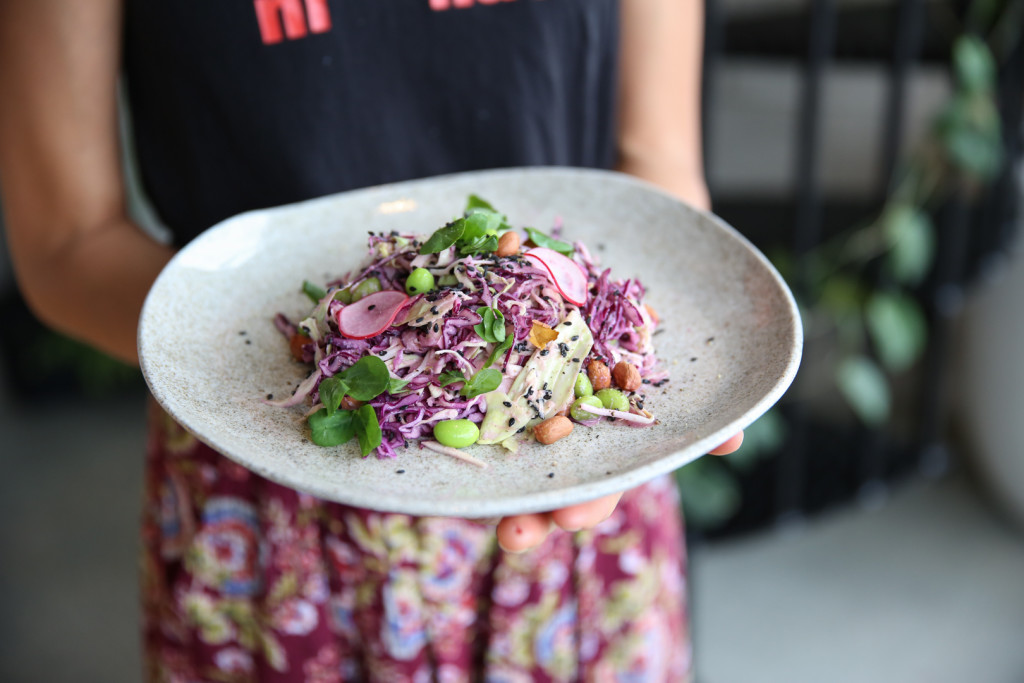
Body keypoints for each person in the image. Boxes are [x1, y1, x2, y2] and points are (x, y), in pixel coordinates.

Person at [0, 1, 742, 680]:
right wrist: (292, 356)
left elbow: (655, 160)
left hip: (579, 478)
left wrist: (625, 384)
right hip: (265, 492)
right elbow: (69, 242)